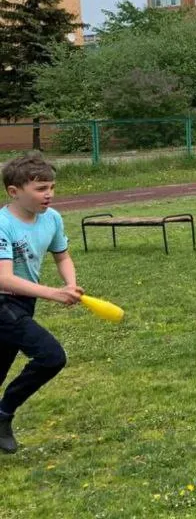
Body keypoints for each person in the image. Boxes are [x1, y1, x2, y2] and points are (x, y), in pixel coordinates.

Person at [0, 153, 82, 454]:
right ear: (14, 192)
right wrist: (53, 293)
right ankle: (4, 414)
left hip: (23, 304)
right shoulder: (2, 224)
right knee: (51, 356)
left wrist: (70, 283)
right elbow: (3, 279)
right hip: (3, 302)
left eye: (51, 187)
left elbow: (62, 255)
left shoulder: (53, 218)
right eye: (40, 188)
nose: (48, 194)